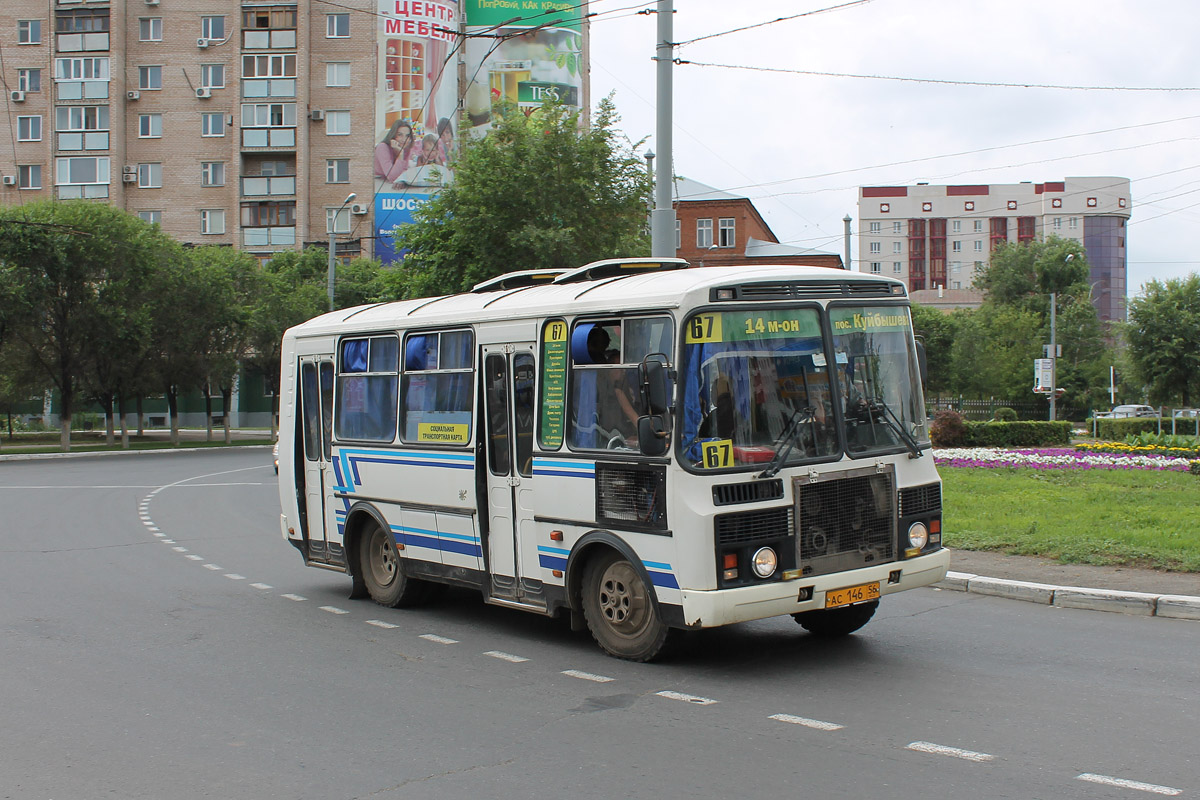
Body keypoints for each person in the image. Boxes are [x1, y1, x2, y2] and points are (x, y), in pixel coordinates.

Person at [374, 120, 418, 188]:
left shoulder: (406, 148)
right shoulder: (382, 147)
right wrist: (400, 154)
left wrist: (401, 180)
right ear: (393, 135)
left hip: (385, 180)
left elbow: (404, 170)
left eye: (407, 136)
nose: (404, 139)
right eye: (400, 135)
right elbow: (392, 177)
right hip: (375, 180)